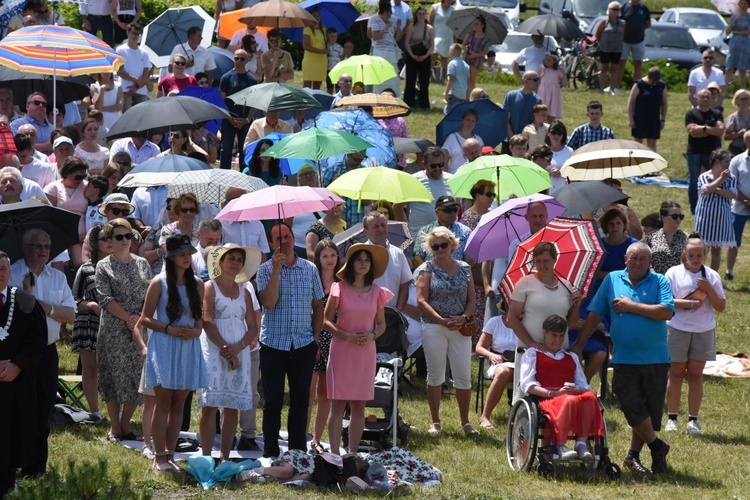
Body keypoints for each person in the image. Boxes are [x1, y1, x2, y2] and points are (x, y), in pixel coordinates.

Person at [575, 242, 674, 475]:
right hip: (623, 358)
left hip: (656, 358)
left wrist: (631, 306)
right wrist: (578, 344)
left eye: (643, 259)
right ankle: (657, 446)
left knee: (647, 411)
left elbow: (667, 311)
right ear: (625, 260)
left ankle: (634, 456)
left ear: (649, 262)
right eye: (634, 258)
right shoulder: (612, 280)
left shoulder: (660, 281)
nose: (638, 263)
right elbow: (596, 312)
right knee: (631, 405)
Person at [10, 229, 75, 478]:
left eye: (47, 246)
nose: (44, 251)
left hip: (47, 352)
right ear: (25, 248)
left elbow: (70, 315)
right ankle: (11, 464)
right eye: (38, 246)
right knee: (18, 411)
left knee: (43, 410)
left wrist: (46, 307)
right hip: (18, 354)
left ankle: (35, 468)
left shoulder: (57, 277)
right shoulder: (12, 272)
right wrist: (28, 295)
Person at [139, 234, 207, 473]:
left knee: (180, 403)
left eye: (189, 253)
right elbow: (145, 319)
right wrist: (170, 328)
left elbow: (200, 318)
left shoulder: (198, 283)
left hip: (188, 346)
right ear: (171, 257)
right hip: (165, 344)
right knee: (163, 401)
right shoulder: (158, 282)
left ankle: (170, 453)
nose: (187, 257)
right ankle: (159, 456)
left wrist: (196, 331)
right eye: (182, 254)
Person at [257, 222, 324, 457]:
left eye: (286, 236)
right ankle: (271, 452)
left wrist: (315, 339)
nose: (283, 241)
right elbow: (268, 302)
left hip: (303, 344)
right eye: (278, 239)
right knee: (272, 403)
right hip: (273, 344)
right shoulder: (265, 269)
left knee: (300, 403)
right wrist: (276, 269)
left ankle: (297, 451)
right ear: (270, 244)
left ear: (293, 237)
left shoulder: (309, 268)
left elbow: (318, 304)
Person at [324, 244, 392, 454]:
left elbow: (381, 325)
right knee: (337, 406)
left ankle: (352, 453)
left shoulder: (378, 292)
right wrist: (346, 335)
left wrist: (372, 335)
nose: (363, 264)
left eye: (367, 260)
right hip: (341, 352)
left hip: (365, 353)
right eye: (359, 259)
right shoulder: (339, 288)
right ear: (351, 263)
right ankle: (335, 454)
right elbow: (325, 320)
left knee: (359, 407)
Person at [198, 244, 261, 462]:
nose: (235, 262)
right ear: (220, 262)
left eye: (239, 260)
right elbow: (207, 320)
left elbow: (252, 325)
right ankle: (206, 456)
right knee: (210, 405)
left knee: (232, 406)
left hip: (239, 350)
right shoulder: (209, 287)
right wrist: (227, 350)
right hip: (215, 349)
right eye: (230, 258)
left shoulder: (245, 291)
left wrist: (239, 347)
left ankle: (225, 457)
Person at [414, 226, 477, 436]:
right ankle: (435, 421)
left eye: (443, 244)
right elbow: (421, 300)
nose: (440, 249)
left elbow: (472, 300)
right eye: (435, 246)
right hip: (433, 327)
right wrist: (441, 320)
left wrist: (464, 318)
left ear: (452, 245)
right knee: (435, 375)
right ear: (430, 248)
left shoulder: (465, 268)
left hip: (461, 327)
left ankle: (466, 422)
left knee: (463, 376)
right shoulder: (425, 269)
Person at [95, 219, 152, 443]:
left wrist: (138, 318)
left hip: (138, 328)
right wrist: (129, 318)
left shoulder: (142, 264)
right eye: (119, 237)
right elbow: (104, 298)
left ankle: (126, 424)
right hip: (113, 329)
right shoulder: (103, 266)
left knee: (135, 376)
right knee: (113, 375)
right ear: (109, 241)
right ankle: (115, 425)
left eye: (129, 236)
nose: (125, 241)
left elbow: (150, 294)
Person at [664, 234, 726, 436]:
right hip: (677, 328)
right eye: (691, 255)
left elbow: (721, 307)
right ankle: (672, 417)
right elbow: (665, 301)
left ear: (705, 255)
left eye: (699, 255)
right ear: (685, 254)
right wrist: (688, 303)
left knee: (695, 375)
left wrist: (709, 289)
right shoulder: (673, 273)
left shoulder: (712, 276)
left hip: (703, 331)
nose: (696, 258)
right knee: (675, 373)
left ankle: (693, 420)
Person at [519, 314, 603, 460]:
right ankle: (560, 444)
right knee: (568, 400)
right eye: (554, 335)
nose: (557, 340)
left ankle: (581, 443)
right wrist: (554, 393)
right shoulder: (533, 354)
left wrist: (577, 389)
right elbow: (528, 384)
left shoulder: (571, 357)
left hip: (569, 395)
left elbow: (583, 384)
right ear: (545, 333)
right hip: (546, 397)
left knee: (589, 397)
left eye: (561, 336)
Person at [0, 250, 48, 497]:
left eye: (3, 268)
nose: (0, 274)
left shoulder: (25, 302)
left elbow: (37, 341)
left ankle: (8, 482)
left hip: (15, 384)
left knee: (12, 436)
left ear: (10, 272)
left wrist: (17, 365)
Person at [72, 225, 113, 422]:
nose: (110, 242)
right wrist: (91, 305)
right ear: (96, 243)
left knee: (114, 369)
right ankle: (95, 412)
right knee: (91, 368)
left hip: (115, 324)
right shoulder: (86, 268)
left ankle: (117, 412)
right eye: (105, 238)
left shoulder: (121, 267)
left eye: (112, 238)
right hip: (89, 323)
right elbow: (73, 301)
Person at [506, 242, 581, 349]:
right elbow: (512, 318)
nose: (541, 266)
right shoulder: (525, 282)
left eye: (546, 261)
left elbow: (571, 325)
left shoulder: (567, 286)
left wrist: (576, 307)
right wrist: (531, 343)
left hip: (559, 351)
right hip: (530, 350)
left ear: (555, 259)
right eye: (538, 261)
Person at [307, 240, 339, 454]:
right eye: (325, 256)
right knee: (307, 394)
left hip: (335, 340)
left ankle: (317, 438)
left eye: (333, 255)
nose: (329, 260)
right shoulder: (312, 279)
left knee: (326, 394)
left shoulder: (342, 282)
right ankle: (301, 435)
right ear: (318, 258)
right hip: (311, 338)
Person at [394, 146, 453, 239]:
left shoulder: (451, 179)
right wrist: (406, 233)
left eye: (441, 165)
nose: (437, 168)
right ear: (424, 164)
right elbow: (397, 207)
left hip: (446, 240)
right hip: (420, 239)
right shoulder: (414, 180)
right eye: (433, 166)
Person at [694, 149, 737, 271]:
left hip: (722, 218)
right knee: (701, 249)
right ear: (717, 162)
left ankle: (712, 276)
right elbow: (706, 190)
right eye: (726, 161)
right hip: (704, 219)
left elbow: (732, 194)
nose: (729, 164)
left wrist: (716, 189)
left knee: (716, 251)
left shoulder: (731, 178)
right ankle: (698, 273)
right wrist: (720, 180)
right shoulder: (704, 176)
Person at [475, 302, 515, 429]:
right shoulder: (494, 322)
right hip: (500, 363)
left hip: (522, 363)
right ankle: (485, 416)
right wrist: (491, 355)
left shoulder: (527, 324)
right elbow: (479, 348)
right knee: (504, 372)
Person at [43, 156, 89, 266]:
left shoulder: (87, 187)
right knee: (62, 266)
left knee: (83, 265)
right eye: (77, 177)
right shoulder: (53, 188)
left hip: (82, 238)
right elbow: (49, 216)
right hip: (59, 237)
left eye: (84, 176)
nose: (81, 180)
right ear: (67, 172)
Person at [685, 88, 725, 214]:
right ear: (697, 98)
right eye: (703, 97)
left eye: (708, 97)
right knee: (693, 181)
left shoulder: (717, 114)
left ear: (712, 98)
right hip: (694, 152)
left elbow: (720, 131)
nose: (705, 99)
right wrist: (710, 130)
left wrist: (703, 128)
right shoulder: (691, 113)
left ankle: (711, 205)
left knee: (713, 179)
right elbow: (692, 132)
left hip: (711, 153)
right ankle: (694, 208)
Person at [219, 49, 257, 170]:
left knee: (244, 149)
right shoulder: (226, 77)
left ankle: (245, 174)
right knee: (226, 149)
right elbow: (221, 101)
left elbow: (255, 102)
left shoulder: (252, 79)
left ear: (247, 60)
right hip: (228, 119)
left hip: (245, 120)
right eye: (236, 58)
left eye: (242, 59)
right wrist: (230, 118)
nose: (239, 61)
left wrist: (247, 119)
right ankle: (224, 175)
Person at [413, 195, 472, 267]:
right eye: (448, 210)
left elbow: (469, 259)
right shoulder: (425, 231)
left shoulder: (465, 231)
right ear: (437, 212)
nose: (452, 213)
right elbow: (417, 258)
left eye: (454, 210)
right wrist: (429, 273)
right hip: (431, 275)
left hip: (456, 274)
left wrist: (457, 274)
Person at [627, 66, 668, 152]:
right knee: (637, 143)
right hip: (640, 117)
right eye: (653, 81)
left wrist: (663, 120)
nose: (654, 83)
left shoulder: (662, 85)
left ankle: (652, 163)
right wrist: (631, 119)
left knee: (652, 144)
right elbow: (631, 102)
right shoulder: (639, 84)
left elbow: (664, 103)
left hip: (654, 118)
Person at [727, 130, 750, 280]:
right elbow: (731, 185)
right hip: (739, 207)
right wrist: (746, 201)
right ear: (745, 142)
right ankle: (729, 271)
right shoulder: (737, 161)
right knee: (733, 241)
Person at [642, 201, 688, 275]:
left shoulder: (687, 238)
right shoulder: (650, 237)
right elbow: (644, 258)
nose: (678, 219)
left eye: (681, 216)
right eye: (675, 216)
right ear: (663, 217)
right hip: (656, 280)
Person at [116, 23, 152, 112]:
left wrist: (136, 86)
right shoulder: (120, 50)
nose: (135, 36)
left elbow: (146, 73)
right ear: (127, 33)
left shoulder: (144, 52)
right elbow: (120, 71)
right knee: (127, 116)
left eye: (138, 34)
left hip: (140, 90)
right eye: (133, 33)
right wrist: (136, 80)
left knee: (142, 115)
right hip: (125, 89)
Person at [367, 1, 402, 95]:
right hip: (379, 50)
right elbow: (373, 36)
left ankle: (393, 94)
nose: (390, 14)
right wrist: (385, 28)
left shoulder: (393, 20)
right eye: (388, 12)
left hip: (391, 51)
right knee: (379, 74)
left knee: (392, 74)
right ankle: (377, 94)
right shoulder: (375, 20)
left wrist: (398, 28)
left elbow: (397, 38)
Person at [404, 7, 434, 110]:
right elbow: (407, 43)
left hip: (425, 56)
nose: (421, 16)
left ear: (426, 15)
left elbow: (432, 45)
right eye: (419, 14)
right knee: (410, 81)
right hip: (412, 56)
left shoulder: (430, 28)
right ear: (416, 15)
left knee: (424, 82)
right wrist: (412, 55)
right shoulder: (411, 27)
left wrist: (425, 56)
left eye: (423, 14)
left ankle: (424, 104)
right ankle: (408, 103)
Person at [599, 208, 639, 281]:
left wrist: (603, 274)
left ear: (624, 225)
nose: (615, 227)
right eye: (611, 224)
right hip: (601, 285)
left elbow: (634, 271)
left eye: (618, 223)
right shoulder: (599, 244)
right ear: (606, 226)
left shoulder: (633, 245)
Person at [503, 71, 543, 141]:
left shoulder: (537, 99)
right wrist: (512, 138)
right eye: (535, 80)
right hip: (509, 140)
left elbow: (538, 121)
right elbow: (505, 119)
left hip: (528, 141)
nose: (538, 82)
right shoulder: (511, 96)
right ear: (526, 81)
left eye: (539, 80)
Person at [596, 3, 626, 95]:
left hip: (617, 49)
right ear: (609, 10)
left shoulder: (623, 23)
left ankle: (613, 89)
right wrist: (602, 43)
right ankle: (601, 88)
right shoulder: (604, 22)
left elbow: (624, 34)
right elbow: (597, 34)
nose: (616, 11)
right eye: (614, 9)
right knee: (604, 68)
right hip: (605, 48)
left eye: (618, 9)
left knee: (614, 69)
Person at [441, 108, 483, 174]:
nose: (470, 123)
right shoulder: (452, 138)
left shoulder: (478, 139)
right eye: (468, 120)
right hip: (454, 175)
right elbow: (444, 161)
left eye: (473, 121)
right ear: (462, 121)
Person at [619, 0, 651, 83]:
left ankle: (637, 86)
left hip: (639, 40)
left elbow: (648, 24)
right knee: (621, 63)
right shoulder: (624, 7)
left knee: (638, 64)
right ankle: (615, 87)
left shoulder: (644, 9)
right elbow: (618, 22)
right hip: (624, 40)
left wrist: (638, 28)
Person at [462, 15, 490, 99]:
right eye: (474, 24)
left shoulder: (486, 38)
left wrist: (475, 55)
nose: (475, 25)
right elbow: (463, 45)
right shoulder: (470, 34)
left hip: (477, 61)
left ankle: (470, 98)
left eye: (477, 24)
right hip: (466, 58)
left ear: (482, 25)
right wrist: (467, 50)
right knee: (464, 80)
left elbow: (485, 52)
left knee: (472, 81)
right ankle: (463, 97)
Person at [725, 0, 750, 90]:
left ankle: (742, 90)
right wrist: (733, 22)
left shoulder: (749, 17)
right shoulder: (734, 16)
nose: (743, 5)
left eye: (745, 3)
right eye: (742, 3)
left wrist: (737, 32)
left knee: (742, 69)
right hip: (734, 43)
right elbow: (727, 32)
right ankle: (724, 90)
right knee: (729, 68)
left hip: (744, 43)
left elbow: (747, 32)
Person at [428, 0, 455, 83]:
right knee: (433, 56)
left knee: (444, 58)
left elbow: (454, 24)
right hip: (436, 35)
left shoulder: (453, 10)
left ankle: (441, 78)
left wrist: (455, 39)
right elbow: (429, 22)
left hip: (448, 36)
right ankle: (430, 77)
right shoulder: (435, 7)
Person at [302, 8, 327, 89]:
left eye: (318, 15)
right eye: (314, 16)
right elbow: (306, 46)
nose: (317, 18)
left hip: (322, 60)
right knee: (307, 85)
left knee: (317, 86)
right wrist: (321, 51)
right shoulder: (307, 29)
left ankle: (315, 100)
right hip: (310, 60)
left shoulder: (323, 28)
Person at [544, 120, 572, 193]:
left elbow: (575, 172)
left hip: (564, 192)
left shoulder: (569, 151)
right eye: (553, 132)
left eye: (559, 133)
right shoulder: (542, 151)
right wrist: (549, 173)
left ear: (563, 134)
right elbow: (535, 171)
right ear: (548, 133)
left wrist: (561, 173)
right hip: (545, 193)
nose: (556, 135)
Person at [443, 44, 470, 116]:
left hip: (454, 93)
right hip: (463, 94)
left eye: (449, 51)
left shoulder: (452, 63)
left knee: (447, 114)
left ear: (452, 52)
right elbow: (467, 81)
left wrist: (446, 93)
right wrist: (467, 96)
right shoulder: (466, 65)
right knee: (458, 115)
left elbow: (451, 79)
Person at [537, 54, 565, 122]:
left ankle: (550, 123)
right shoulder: (542, 69)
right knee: (543, 106)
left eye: (549, 60)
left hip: (554, 92)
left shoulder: (558, 70)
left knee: (553, 109)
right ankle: (543, 122)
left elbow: (564, 83)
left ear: (554, 61)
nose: (547, 62)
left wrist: (563, 73)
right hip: (544, 91)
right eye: (546, 60)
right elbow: (538, 79)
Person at [724, 89, 750, 156]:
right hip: (738, 149)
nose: (744, 101)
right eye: (742, 99)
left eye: (746, 99)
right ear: (737, 101)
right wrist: (738, 134)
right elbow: (726, 137)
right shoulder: (733, 117)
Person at [326, 28, 344, 94]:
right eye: (332, 36)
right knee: (329, 87)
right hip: (329, 69)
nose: (334, 38)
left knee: (338, 88)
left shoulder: (339, 47)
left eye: (335, 36)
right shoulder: (325, 46)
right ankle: (330, 101)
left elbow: (342, 58)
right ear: (328, 36)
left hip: (338, 70)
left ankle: (338, 101)